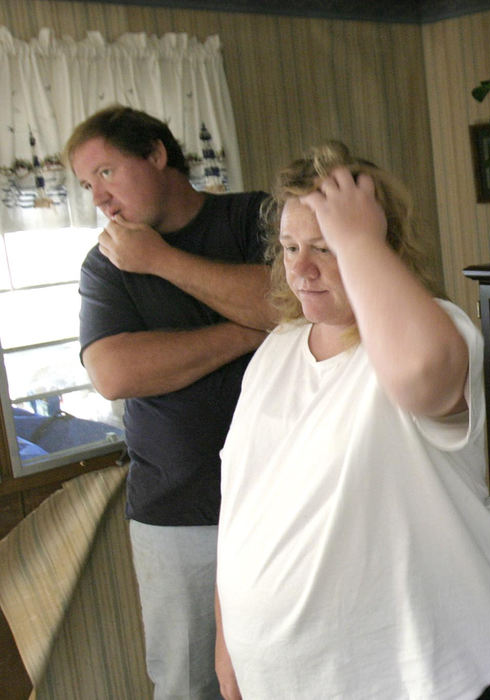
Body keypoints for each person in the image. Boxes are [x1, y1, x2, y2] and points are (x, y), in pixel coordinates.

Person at [214, 140, 490, 699]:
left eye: (325, 247)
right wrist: (229, 641)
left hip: (428, 674)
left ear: (379, 244)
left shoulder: (436, 328)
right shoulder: (278, 348)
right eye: (290, 248)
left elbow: (419, 376)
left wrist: (358, 238)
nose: (302, 269)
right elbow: (240, 499)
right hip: (286, 677)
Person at [66, 105, 276, 699]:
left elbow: (291, 302)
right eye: (88, 186)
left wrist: (161, 260)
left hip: (288, 496)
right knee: (188, 684)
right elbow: (114, 372)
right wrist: (248, 332)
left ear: (157, 154)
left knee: (291, 669)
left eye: (107, 172)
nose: (100, 200)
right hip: (177, 507)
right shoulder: (104, 265)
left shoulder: (253, 216)